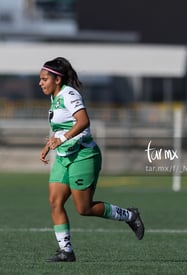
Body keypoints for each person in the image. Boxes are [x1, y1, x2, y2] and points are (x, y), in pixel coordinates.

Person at [39, 57, 145, 262]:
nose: (40, 83)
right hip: (64, 157)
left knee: (84, 209)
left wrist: (61, 139)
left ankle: (130, 215)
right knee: (55, 202)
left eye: (44, 79)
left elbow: (84, 121)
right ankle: (66, 252)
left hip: (83, 156)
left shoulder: (69, 94)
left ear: (57, 79)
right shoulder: (54, 97)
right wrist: (49, 145)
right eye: (40, 79)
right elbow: (62, 127)